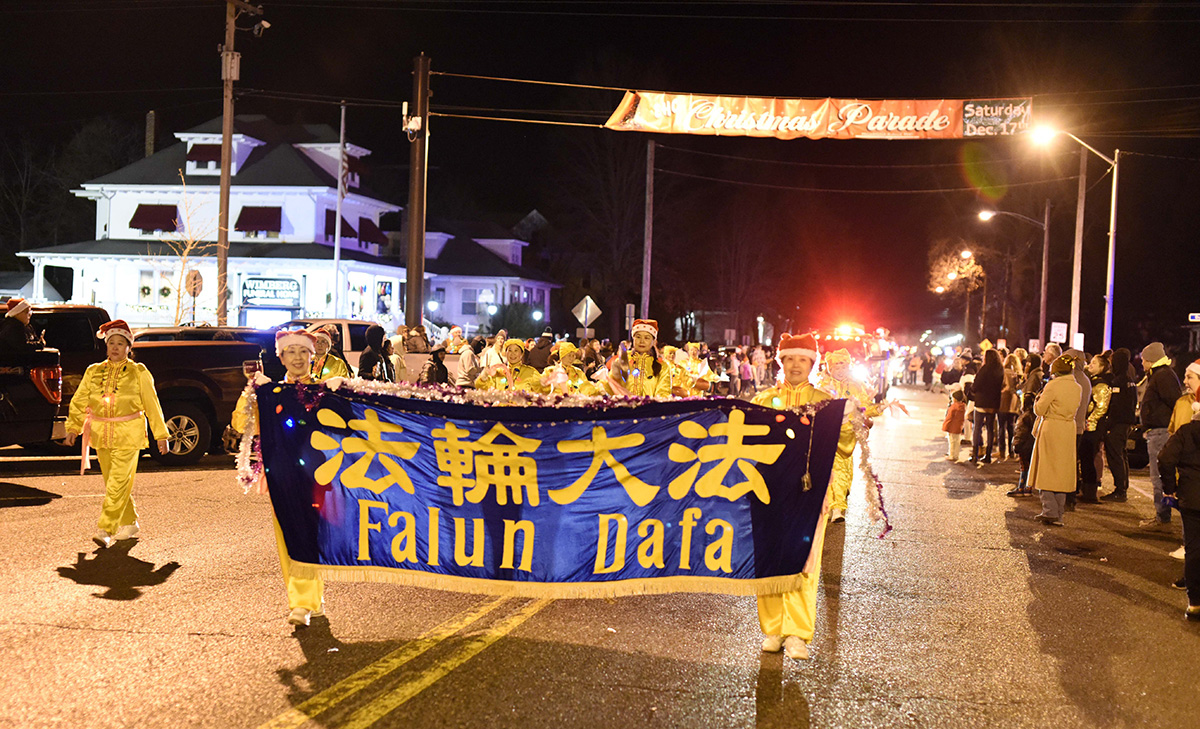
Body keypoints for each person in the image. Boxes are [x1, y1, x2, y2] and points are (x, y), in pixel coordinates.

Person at [232, 329, 325, 627]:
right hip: (280, 473)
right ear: (281, 358)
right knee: (289, 534)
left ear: (312, 356)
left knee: (309, 533)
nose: (297, 358)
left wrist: (342, 393)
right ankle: (306, 600)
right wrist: (250, 394)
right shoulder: (269, 393)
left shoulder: (325, 391)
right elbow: (241, 424)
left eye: (303, 352)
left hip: (318, 475)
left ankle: (306, 600)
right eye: (291, 352)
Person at [63, 320, 169, 548]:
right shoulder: (93, 371)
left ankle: (106, 529)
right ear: (106, 345)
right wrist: (73, 428)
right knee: (114, 483)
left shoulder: (138, 372)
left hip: (129, 434)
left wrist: (161, 435)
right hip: (101, 434)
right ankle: (130, 522)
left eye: (121, 343)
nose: (115, 347)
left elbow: (152, 405)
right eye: (112, 342)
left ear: (129, 347)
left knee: (117, 483)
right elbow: (80, 400)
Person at [816, 348, 890, 522]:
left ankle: (839, 500)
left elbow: (864, 406)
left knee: (845, 467)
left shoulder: (855, 386)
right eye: (836, 367)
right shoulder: (822, 386)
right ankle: (837, 506)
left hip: (847, 434)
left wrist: (879, 408)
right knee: (833, 468)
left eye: (843, 366)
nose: (840, 370)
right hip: (826, 434)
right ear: (830, 368)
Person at [1159, 359, 1200, 621]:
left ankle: (1195, 603)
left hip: (1191, 496)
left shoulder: (1186, 431)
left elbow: (1165, 458)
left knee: (1193, 548)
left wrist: (1169, 488)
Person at [1029, 355, 1083, 526]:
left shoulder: (1053, 385)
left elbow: (1039, 410)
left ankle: (1049, 510)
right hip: (1068, 429)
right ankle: (1059, 513)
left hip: (1052, 428)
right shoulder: (1077, 387)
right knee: (1061, 472)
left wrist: (1037, 400)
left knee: (1046, 469)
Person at [1139, 342, 1183, 529]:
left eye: (1143, 359)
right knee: (1159, 476)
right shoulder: (1160, 374)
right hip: (1159, 430)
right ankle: (1162, 515)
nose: (1142, 363)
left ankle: (1162, 517)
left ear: (1151, 360)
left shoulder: (1162, 375)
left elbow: (1174, 402)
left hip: (1161, 431)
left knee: (1158, 476)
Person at [1100, 348, 1137, 502]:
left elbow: (1116, 406)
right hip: (1126, 423)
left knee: (1115, 456)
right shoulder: (1130, 381)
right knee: (1122, 455)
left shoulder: (1118, 382)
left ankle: (1120, 490)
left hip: (1118, 424)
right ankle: (1123, 487)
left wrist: (1108, 425)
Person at [601, 319, 672, 399]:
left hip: (650, 407)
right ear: (633, 339)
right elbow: (609, 390)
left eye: (647, 338)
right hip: (623, 406)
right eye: (638, 337)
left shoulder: (662, 367)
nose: (642, 341)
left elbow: (663, 395)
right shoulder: (622, 361)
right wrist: (613, 377)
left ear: (653, 342)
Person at [1078, 354, 1112, 503]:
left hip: (1093, 427)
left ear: (1102, 367)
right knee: (1085, 458)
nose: (1090, 365)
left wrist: (1090, 421)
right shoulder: (1092, 381)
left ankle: (1090, 492)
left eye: (1094, 364)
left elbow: (1101, 407)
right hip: (1089, 425)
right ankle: (1086, 490)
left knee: (1088, 458)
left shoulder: (1101, 385)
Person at [969, 349, 1004, 465]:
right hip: (993, 403)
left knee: (977, 427)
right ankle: (988, 455)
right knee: (990, 429)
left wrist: (972, 390)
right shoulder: (1000, 370)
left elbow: (976, 385)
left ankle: (975, 455)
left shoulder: (984, 369)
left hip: (981, 402)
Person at [475, 338, 544, 393]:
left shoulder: (531, 372)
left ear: (522, 354)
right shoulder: (498, 372)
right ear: (506, 353)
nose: (512, 354)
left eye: (516, 350)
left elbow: (542, 390)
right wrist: (483, 377)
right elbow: (482, 388)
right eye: (510, 350)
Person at [1007, 393, 1038, 497]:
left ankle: (1021, 487)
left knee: (1024, 467)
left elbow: (1020, 432)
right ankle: (1028, 488)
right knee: (1030, 467)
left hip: (1024, 446)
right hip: (1032, 445)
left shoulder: (1024, 417)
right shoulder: (1036, 416)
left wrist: (1016, 445)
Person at [942, 389, 966, 462]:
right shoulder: (962, 406)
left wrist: (945, 425)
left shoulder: (953, 407)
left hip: (951, 426)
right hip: (958, 427)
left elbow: (949, 417)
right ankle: (956, 455)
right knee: (957, 441)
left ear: (954, 398)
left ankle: (951, 455)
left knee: (951, 441)